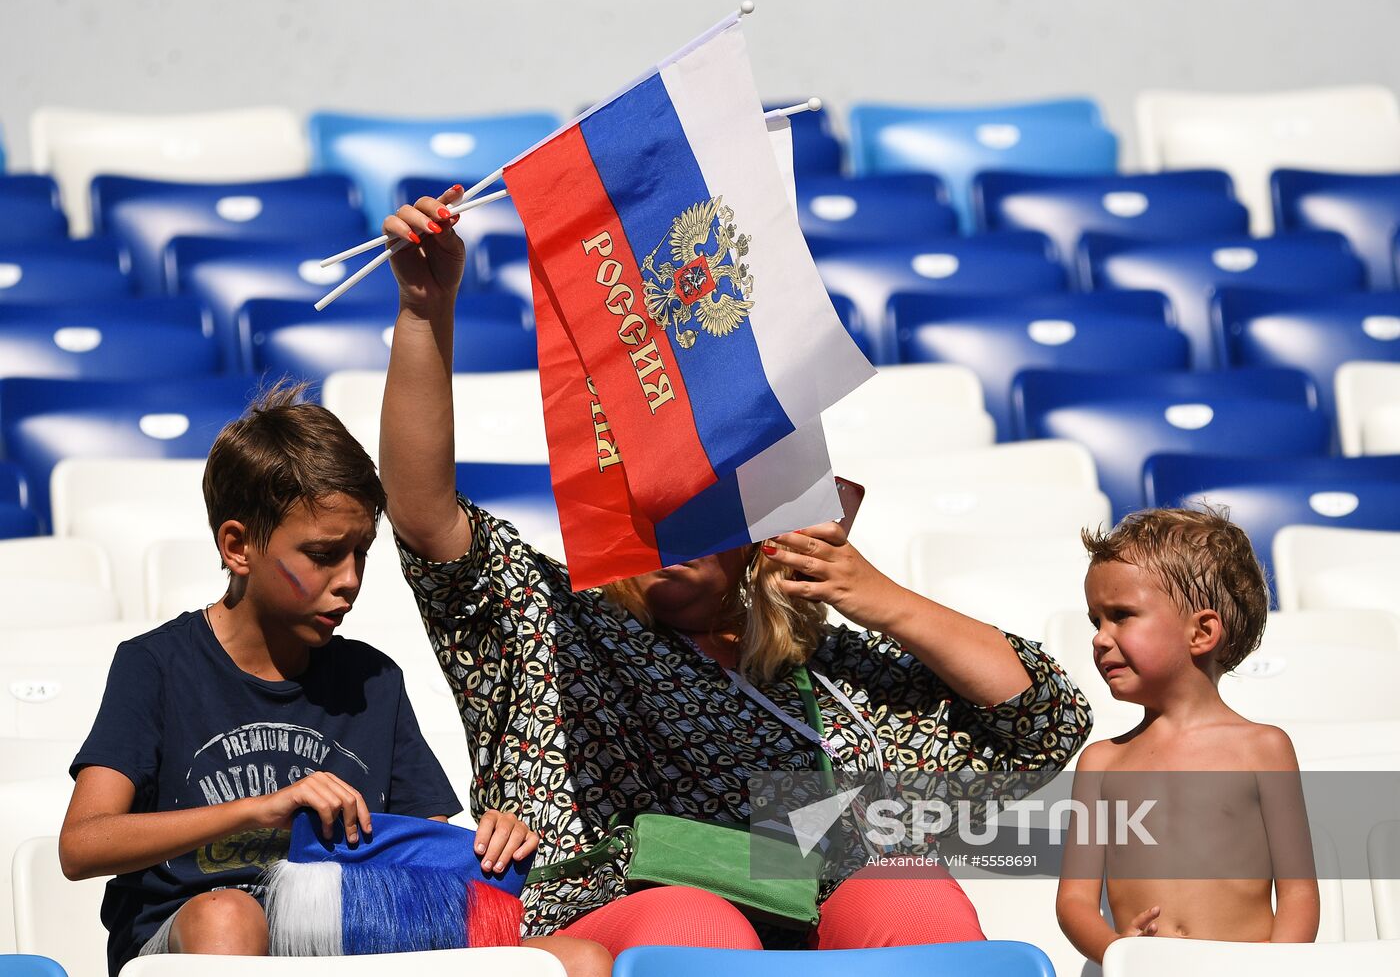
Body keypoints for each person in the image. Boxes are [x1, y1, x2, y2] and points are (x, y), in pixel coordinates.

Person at [378, 188, 1092, 955]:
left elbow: (1042, 726)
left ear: (758, 532)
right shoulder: (548, 622)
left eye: (704, 503)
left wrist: (879, 599)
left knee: (914, 895)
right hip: (609, 918)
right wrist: (425, 310)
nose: (674, 522)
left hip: (801, 913)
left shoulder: (826, 680)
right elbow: (424, 516)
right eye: (655, 497)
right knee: (699, 926)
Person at [58, 384, 610, 977]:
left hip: (347, 940)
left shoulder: (373, 679)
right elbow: (83, 845)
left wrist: (487, 844)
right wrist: (259, 810)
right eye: (323, 554)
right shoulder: (157, 665)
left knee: (580, 960)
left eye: (362, 553)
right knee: (230, 916)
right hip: (197, 938)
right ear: (237, 546)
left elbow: (418, 854)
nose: (349, 579)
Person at [1056, 507, 1320, 964]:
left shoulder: (1262, 749)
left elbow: (1298, 893)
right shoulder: (1101, 763)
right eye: (1095, 621)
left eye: (1121, 615)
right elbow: (1074, 902)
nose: (1100, 638)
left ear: (1201, 632)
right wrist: (1120, 954)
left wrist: (1277, 969)